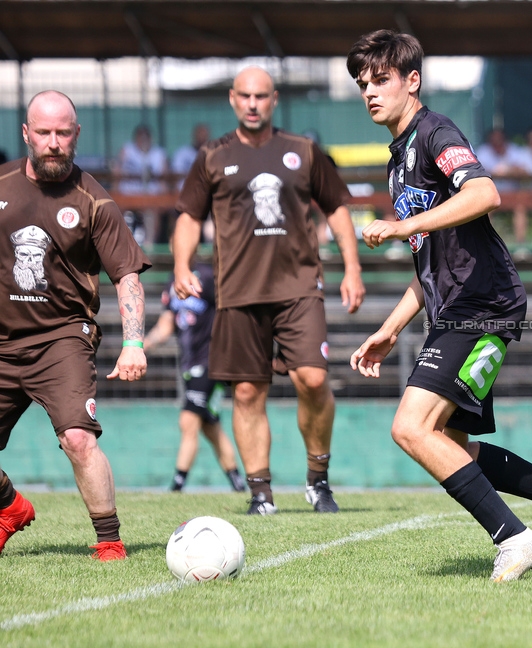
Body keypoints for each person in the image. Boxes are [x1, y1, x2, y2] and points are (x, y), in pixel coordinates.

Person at [346, 29, 532, 583]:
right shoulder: (398, 159)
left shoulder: (436, 131)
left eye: (381, 80)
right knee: (449, 443)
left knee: (411, 429)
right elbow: (428, 264)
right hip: (456, 308)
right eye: (362, 83)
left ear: (412, 81)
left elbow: (485, 193)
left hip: (483, 305)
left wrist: (402, 225)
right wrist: (390, 329)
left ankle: (515, 539)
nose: (369, 91)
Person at [171, 66, 365, 516]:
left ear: (273, 100)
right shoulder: (212, 156)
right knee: (245, 393)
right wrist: (181, 265)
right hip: (237, 291)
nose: (253, 103)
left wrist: (352, 269)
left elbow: (337, 207)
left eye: (262, 96)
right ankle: (261, 494)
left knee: (313, 380)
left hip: (299, 286)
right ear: (233, 100)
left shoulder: (304, 151)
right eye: (245, 95)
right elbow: (186, 216)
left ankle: (318, 481)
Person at [0, 91, 151, 559]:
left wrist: (134, 343)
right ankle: (10, 507)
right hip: (2, 341)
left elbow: (126, 275)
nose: (53, 143)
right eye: (43, 133)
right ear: (26, 133)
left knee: (78, 438)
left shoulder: (94, 201)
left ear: (76, 134)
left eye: (62, 133)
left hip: (62, 338)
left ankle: (109, 542)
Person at [144, 256, 246, 493]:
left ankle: (177, 486)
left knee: (188, 420)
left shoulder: (207, 276)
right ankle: (238, 484)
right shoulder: (173, 280)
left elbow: (229, 311)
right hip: (189, 365)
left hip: (211, 361)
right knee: (211, 427)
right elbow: (166, 325)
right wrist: (140, 346)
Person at [114, 124, 168, 245]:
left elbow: (163, 180)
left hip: (151, 197)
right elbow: (117, 173)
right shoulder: (127, 150)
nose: (143, 140)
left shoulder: (158, 154)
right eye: (140, 137)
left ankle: (150, 245)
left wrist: (163, 200)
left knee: (153, 210)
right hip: (128, 195)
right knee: (116, 208)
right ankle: (122, 244)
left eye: (145, 137)